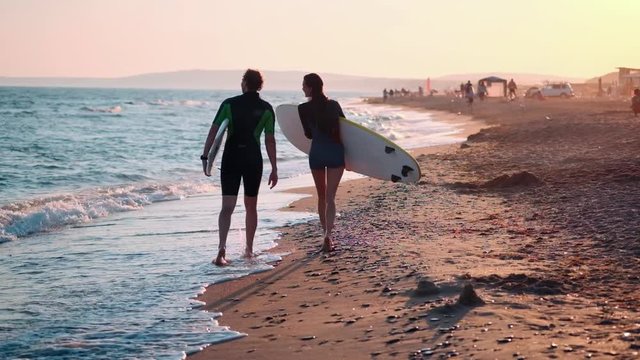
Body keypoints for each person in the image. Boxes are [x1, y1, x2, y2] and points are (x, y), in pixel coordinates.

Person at [201, 69, 278, 266]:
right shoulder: (267, 109)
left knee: (227, 207)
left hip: (231, 159)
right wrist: (274, 167)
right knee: (251, 206)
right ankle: (249, 250)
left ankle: (221, 250)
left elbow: (214, 131)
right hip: (253, 160)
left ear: (244, 83)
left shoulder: (228, 104)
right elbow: (270, 140)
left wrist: (206, 156)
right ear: (260, 85)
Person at [298, 73, 345, 252]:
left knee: (322, 196)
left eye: (304, 85)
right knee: (331, 198)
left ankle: (325, 232)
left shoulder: (302, 109)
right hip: (334, 152)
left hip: (317, 153)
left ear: (310, 87)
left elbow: (308, 134)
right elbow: (345, 130)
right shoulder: (333, 105)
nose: (302, 88)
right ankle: (329, 237)